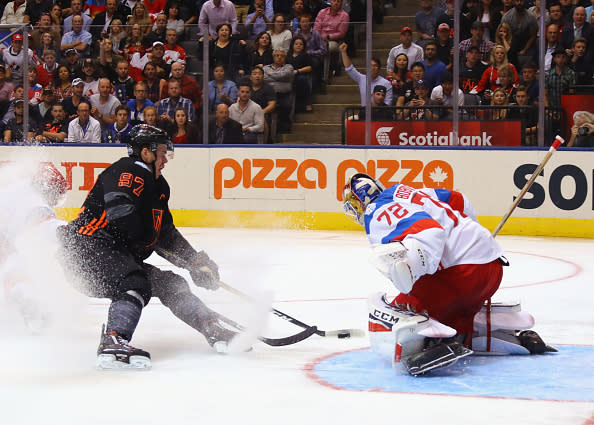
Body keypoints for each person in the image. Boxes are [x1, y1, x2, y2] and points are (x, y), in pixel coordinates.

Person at [57, 124, 238, 369]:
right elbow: (121, 215)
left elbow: (165, 234)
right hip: (85, 253)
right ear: (146, 152)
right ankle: (114, 340)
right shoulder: (128, 171)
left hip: (109, 255)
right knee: (134, 281)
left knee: (170, 283)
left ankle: (210, 326)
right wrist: (151, 242)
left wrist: (194, 261)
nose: (165, 159)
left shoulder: (158, 187)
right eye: (162, 152)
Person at [342, 173, 556, 375]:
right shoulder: (405, 190)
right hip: (492, 268)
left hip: (461, 277)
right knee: (455, 311)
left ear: (359, 204)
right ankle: (481, 335)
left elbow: (428, 231)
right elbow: (461, 201)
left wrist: (416, 271)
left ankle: (420, 346)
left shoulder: (375, 212)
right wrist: (473, 240)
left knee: (399, 311)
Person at [0, 163, 68, 333]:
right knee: (18, 265)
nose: (55, 199)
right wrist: (77, 233)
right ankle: (28, 308)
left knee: (13, 260)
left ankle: (18, 310)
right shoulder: (35, 202)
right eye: (56, 193)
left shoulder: (16, 186)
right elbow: (47, 228)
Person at [313, 0, 349, 76]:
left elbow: (341, 33)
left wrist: (328, 36)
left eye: (338, 1)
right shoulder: (322, 12)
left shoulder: (344, 15)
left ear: (341, 3)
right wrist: (319, 37)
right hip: (318, 38)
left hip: (334, 41)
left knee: (326, 47)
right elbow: (316, 28)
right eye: (334, 1)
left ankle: (326, 73)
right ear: (331, 2)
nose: (336, 3)